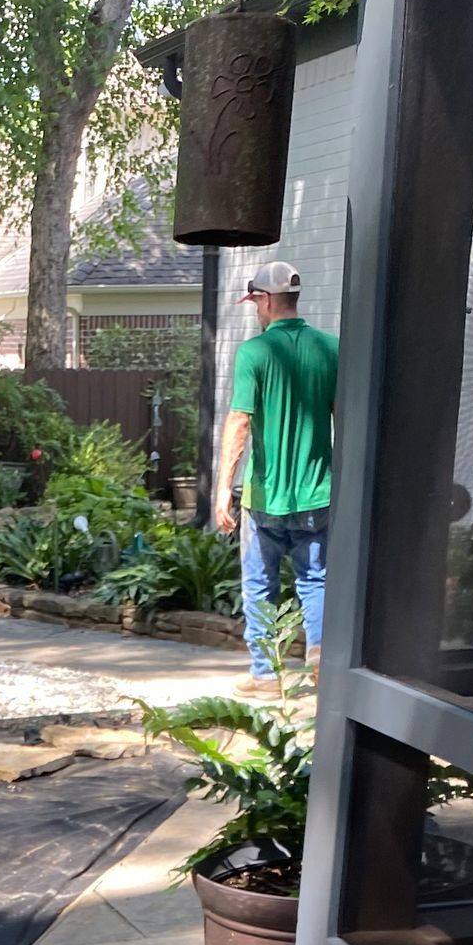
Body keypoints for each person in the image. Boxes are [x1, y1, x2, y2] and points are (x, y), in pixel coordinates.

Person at [214, 260, 338, 698]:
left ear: (265, 301)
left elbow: (240, 423)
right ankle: (321, 658)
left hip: (264, 496)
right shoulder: (331, 349)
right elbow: (346, 417)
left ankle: (266, 675)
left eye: (254, 302)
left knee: (259, 583)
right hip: (318, 494)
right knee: (316, 580)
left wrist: (222, 491)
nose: (253, 310)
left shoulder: (255, 352)